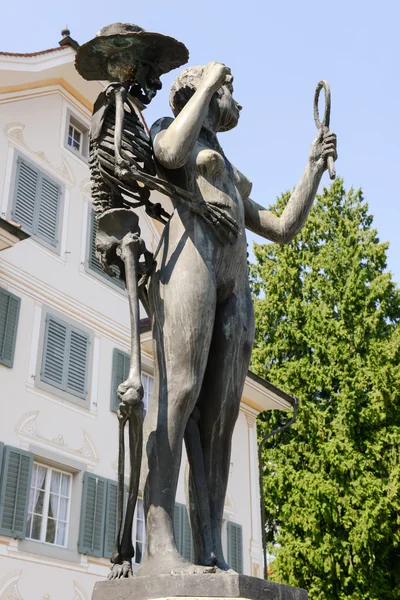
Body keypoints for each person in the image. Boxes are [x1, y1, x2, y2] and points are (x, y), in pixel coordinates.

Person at [137, 62, 338, 577]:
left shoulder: (225, 163)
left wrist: (312, 167)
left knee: (221, 421)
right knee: (179, 392)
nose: (240, 103)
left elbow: (281, 226)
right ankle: (159, 540)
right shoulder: (171, 129)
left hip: (235, 289)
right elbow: (168, 155)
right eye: (232, 91)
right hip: (189, 264)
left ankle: (210, 547)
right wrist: (206, 82)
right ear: (204, 95)